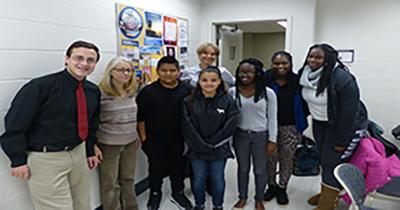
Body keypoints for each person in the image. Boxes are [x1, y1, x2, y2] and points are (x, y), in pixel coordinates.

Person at [0, 40, 101, 210]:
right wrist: (17, 159)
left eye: (90, 60)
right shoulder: (40, 87)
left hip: (78, 153)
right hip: (46, 158)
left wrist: (90, 150)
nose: (84, 64)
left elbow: (91, 124)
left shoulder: (92, 90)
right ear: (66, 59)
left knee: (82, 204)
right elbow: (15, 124)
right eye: (79, 58)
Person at [298, 43, 368, 210]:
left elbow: (348, 113)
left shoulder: (343, 78)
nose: (313, 60)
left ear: (328, 60)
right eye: (311, 56)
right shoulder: (305, 74)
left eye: (318, 57)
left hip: (341, 126)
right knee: (323, 159)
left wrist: (341, 140)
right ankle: (327, 192)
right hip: (319, 123)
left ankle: (327, 204)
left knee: (331, 162)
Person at [136, 56, 193, 210]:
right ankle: (155, 194)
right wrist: (144, 140)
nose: (168, 74)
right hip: (154, 139)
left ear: (178, 72)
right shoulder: (148, 92)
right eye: (164, 70)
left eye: (172, 70)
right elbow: (140, 118)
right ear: (158, 71)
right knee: (155, 168)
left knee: (178, 168)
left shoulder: (187, 91)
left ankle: (178, 193)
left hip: (179, 139)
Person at [182, 66, 239, 210]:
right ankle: (199, 205)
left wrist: (212, 143)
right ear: (198, 82)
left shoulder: (228, 101)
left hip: (219, 150)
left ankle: (218, 206)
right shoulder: (189, 101)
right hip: (196, 150)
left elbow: (230, 126)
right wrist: (200, 145)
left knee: (217, 179)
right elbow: (187, 127)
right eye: (204, 80)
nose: (209, 83)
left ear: (220, 81)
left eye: (213, 80)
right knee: (199, 179)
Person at [228, 58, 277, 210]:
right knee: (243, 169)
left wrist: (272, 140)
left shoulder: (268, 93)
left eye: (249, 72)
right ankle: (242, 197)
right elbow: (229, 119)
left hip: (260, 137)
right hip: (240, 136)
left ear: (257, 73)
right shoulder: (232, 92)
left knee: (260, 170)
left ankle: (259, 199)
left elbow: (273, 117)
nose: (245, 75)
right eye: (242, 71)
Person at [263, 51, 308, 205]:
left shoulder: (298, 81)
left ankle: (282, 187)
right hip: (268, 127)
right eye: (276, 63)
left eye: (284, 63)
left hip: (291, 127)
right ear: (271, 64)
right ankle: (271, 186)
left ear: (290, 64)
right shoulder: (265, 79)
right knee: (270, 159)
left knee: (287, 159)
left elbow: (306, 103)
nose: (280, 66)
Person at [96, 56, 139, 210]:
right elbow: (92, 121)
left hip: (130, 141)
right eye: (121, 70)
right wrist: (93, 145)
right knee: (110, 183)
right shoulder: (100, 93)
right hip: (108, 144)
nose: (126, 73)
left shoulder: (132, 90)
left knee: (128, 178)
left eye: (129, 70)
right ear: (111, 72)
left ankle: (131, 207)